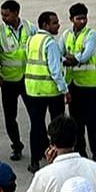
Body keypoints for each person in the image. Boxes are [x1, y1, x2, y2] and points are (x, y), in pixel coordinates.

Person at [24, 11, 69, 174]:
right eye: (55, 23)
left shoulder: (31, 40)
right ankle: (58, 156)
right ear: (45, 25)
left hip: (33, 90)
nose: (58, 25)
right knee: (57, 125)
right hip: (51, 91)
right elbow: (55, 71)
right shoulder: (50, 43)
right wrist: (64, 89)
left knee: (36, 126)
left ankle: (34, 160)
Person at [0, 0, 37, 161]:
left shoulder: (30, 28)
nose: (3, 18)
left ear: (16, 13)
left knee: (35, 115)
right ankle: (16, 145)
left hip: (27, 80)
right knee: (10, 118)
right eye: (2, 15)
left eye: (7, 15)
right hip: (8, 82)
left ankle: (41, 144)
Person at [62, 2, 96, 165]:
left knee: (91, 120)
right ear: (71, 19)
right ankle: (81, 151)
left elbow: (85, 56)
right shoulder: (66, 35)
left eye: (84, 18)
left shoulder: (91, 34)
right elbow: (60, 54)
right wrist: (70, 59)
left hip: (88, 84)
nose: (82, 21)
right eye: (79, 18)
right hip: (72, 83)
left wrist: (72, 58)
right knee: (76, 121)